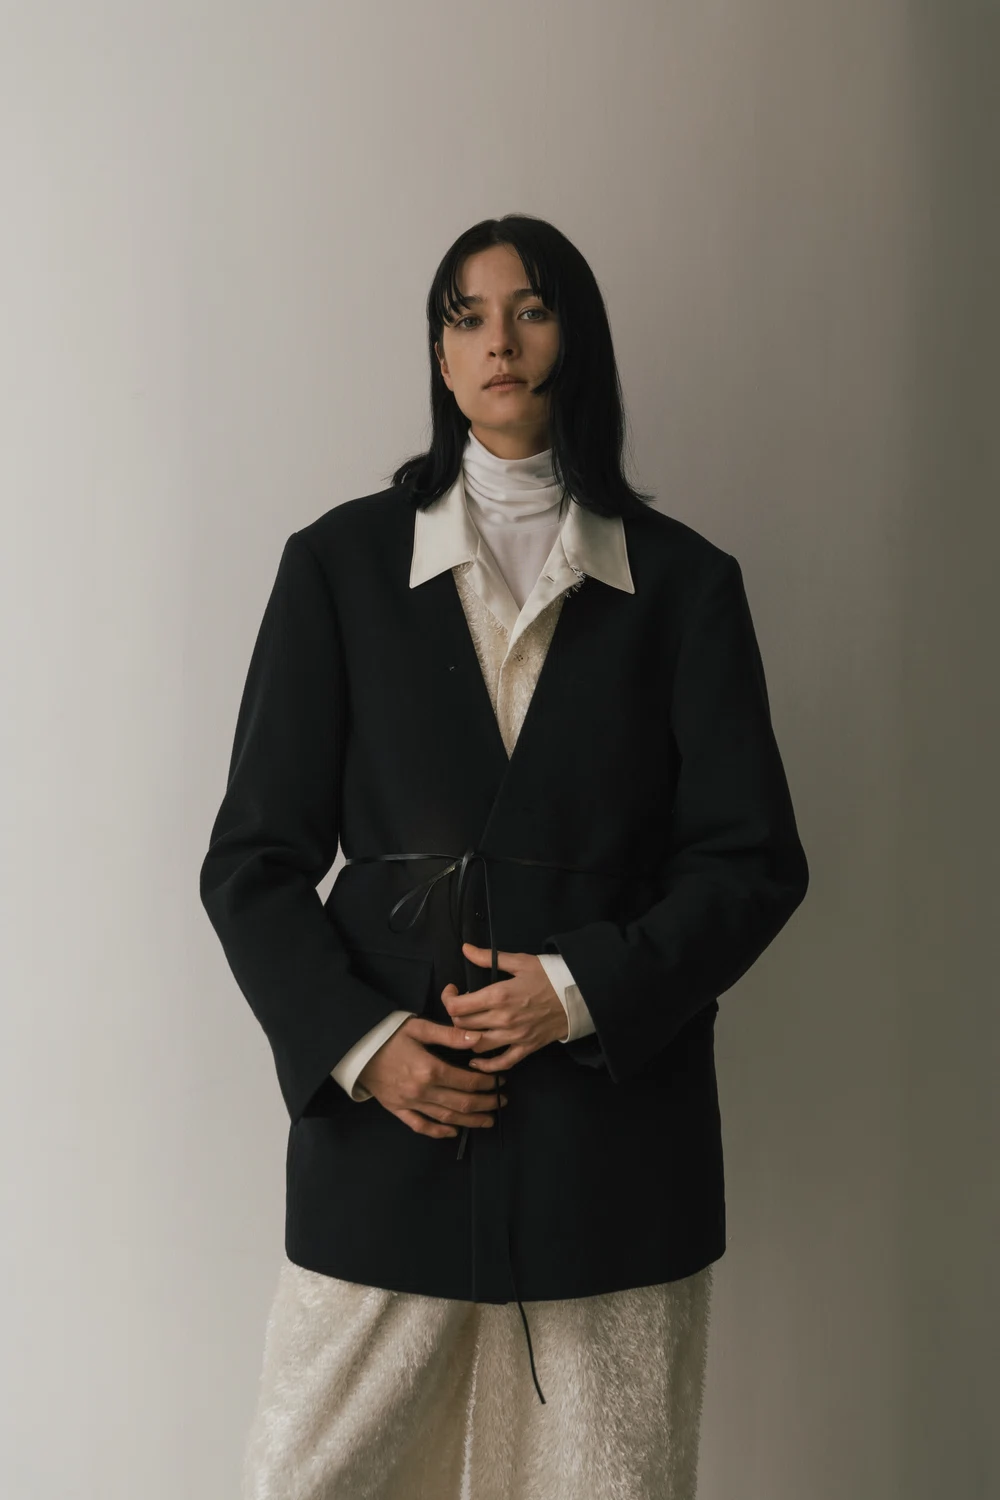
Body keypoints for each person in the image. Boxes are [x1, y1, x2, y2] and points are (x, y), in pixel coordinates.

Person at [199, 213, 810, 1500]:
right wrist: (365, 1047)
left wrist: (578, 990)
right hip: (390, 1128)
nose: (498, 341)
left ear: (573, 337)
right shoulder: (338, 569)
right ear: (438, 353)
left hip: (612, 1142)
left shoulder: (685, 587)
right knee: (311, 1477)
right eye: (466, 316)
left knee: (606, 1482)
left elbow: (751, 861)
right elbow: (252, 862)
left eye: (529, 309)